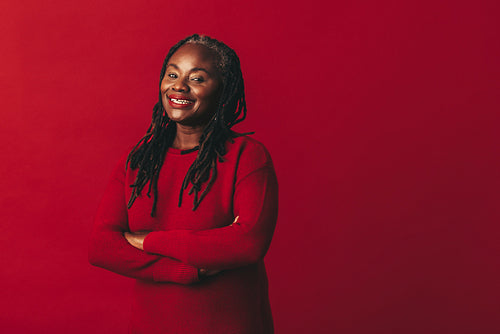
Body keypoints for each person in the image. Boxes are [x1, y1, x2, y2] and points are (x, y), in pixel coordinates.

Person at [88, 34, 279, 334]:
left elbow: (248, 243)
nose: (179, 85)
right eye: (173, 74)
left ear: (223, 90)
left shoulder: (248, 156)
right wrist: (183, 269)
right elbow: (102, 247)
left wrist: (147, 241)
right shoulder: (138, 162)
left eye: (197, 78)